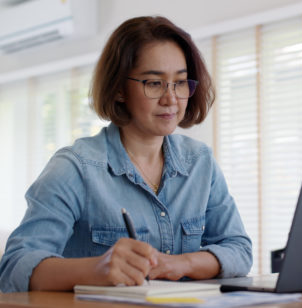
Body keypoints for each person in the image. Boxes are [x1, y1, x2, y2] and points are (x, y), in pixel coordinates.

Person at [0, 16, 252, 293]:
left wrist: (180, 264)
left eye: (180, 82)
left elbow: (239, 250)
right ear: (119, 89)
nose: (171, 99)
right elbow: (15, 267)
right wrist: (97, 269)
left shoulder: (200, 162)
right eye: (154, 83)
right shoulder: (74, 168)